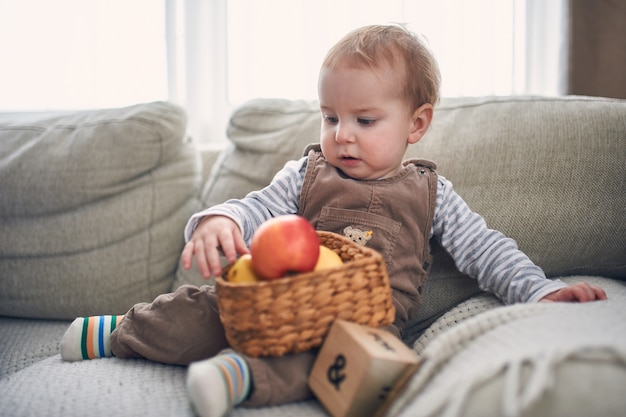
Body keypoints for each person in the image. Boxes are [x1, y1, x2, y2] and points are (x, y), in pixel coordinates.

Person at [60, 24, 607, 417]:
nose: (342, 133)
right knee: (211, 307)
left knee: (340, 363)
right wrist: (219, 219)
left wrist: (537, 291)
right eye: (330, 117)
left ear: (416, 124)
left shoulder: (432, 193)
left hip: (363, 320)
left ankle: (238, 378)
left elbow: (487, 251)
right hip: (280, 299)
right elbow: (257, 208)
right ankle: (117, 331)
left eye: (364, 120)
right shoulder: (306, 173)